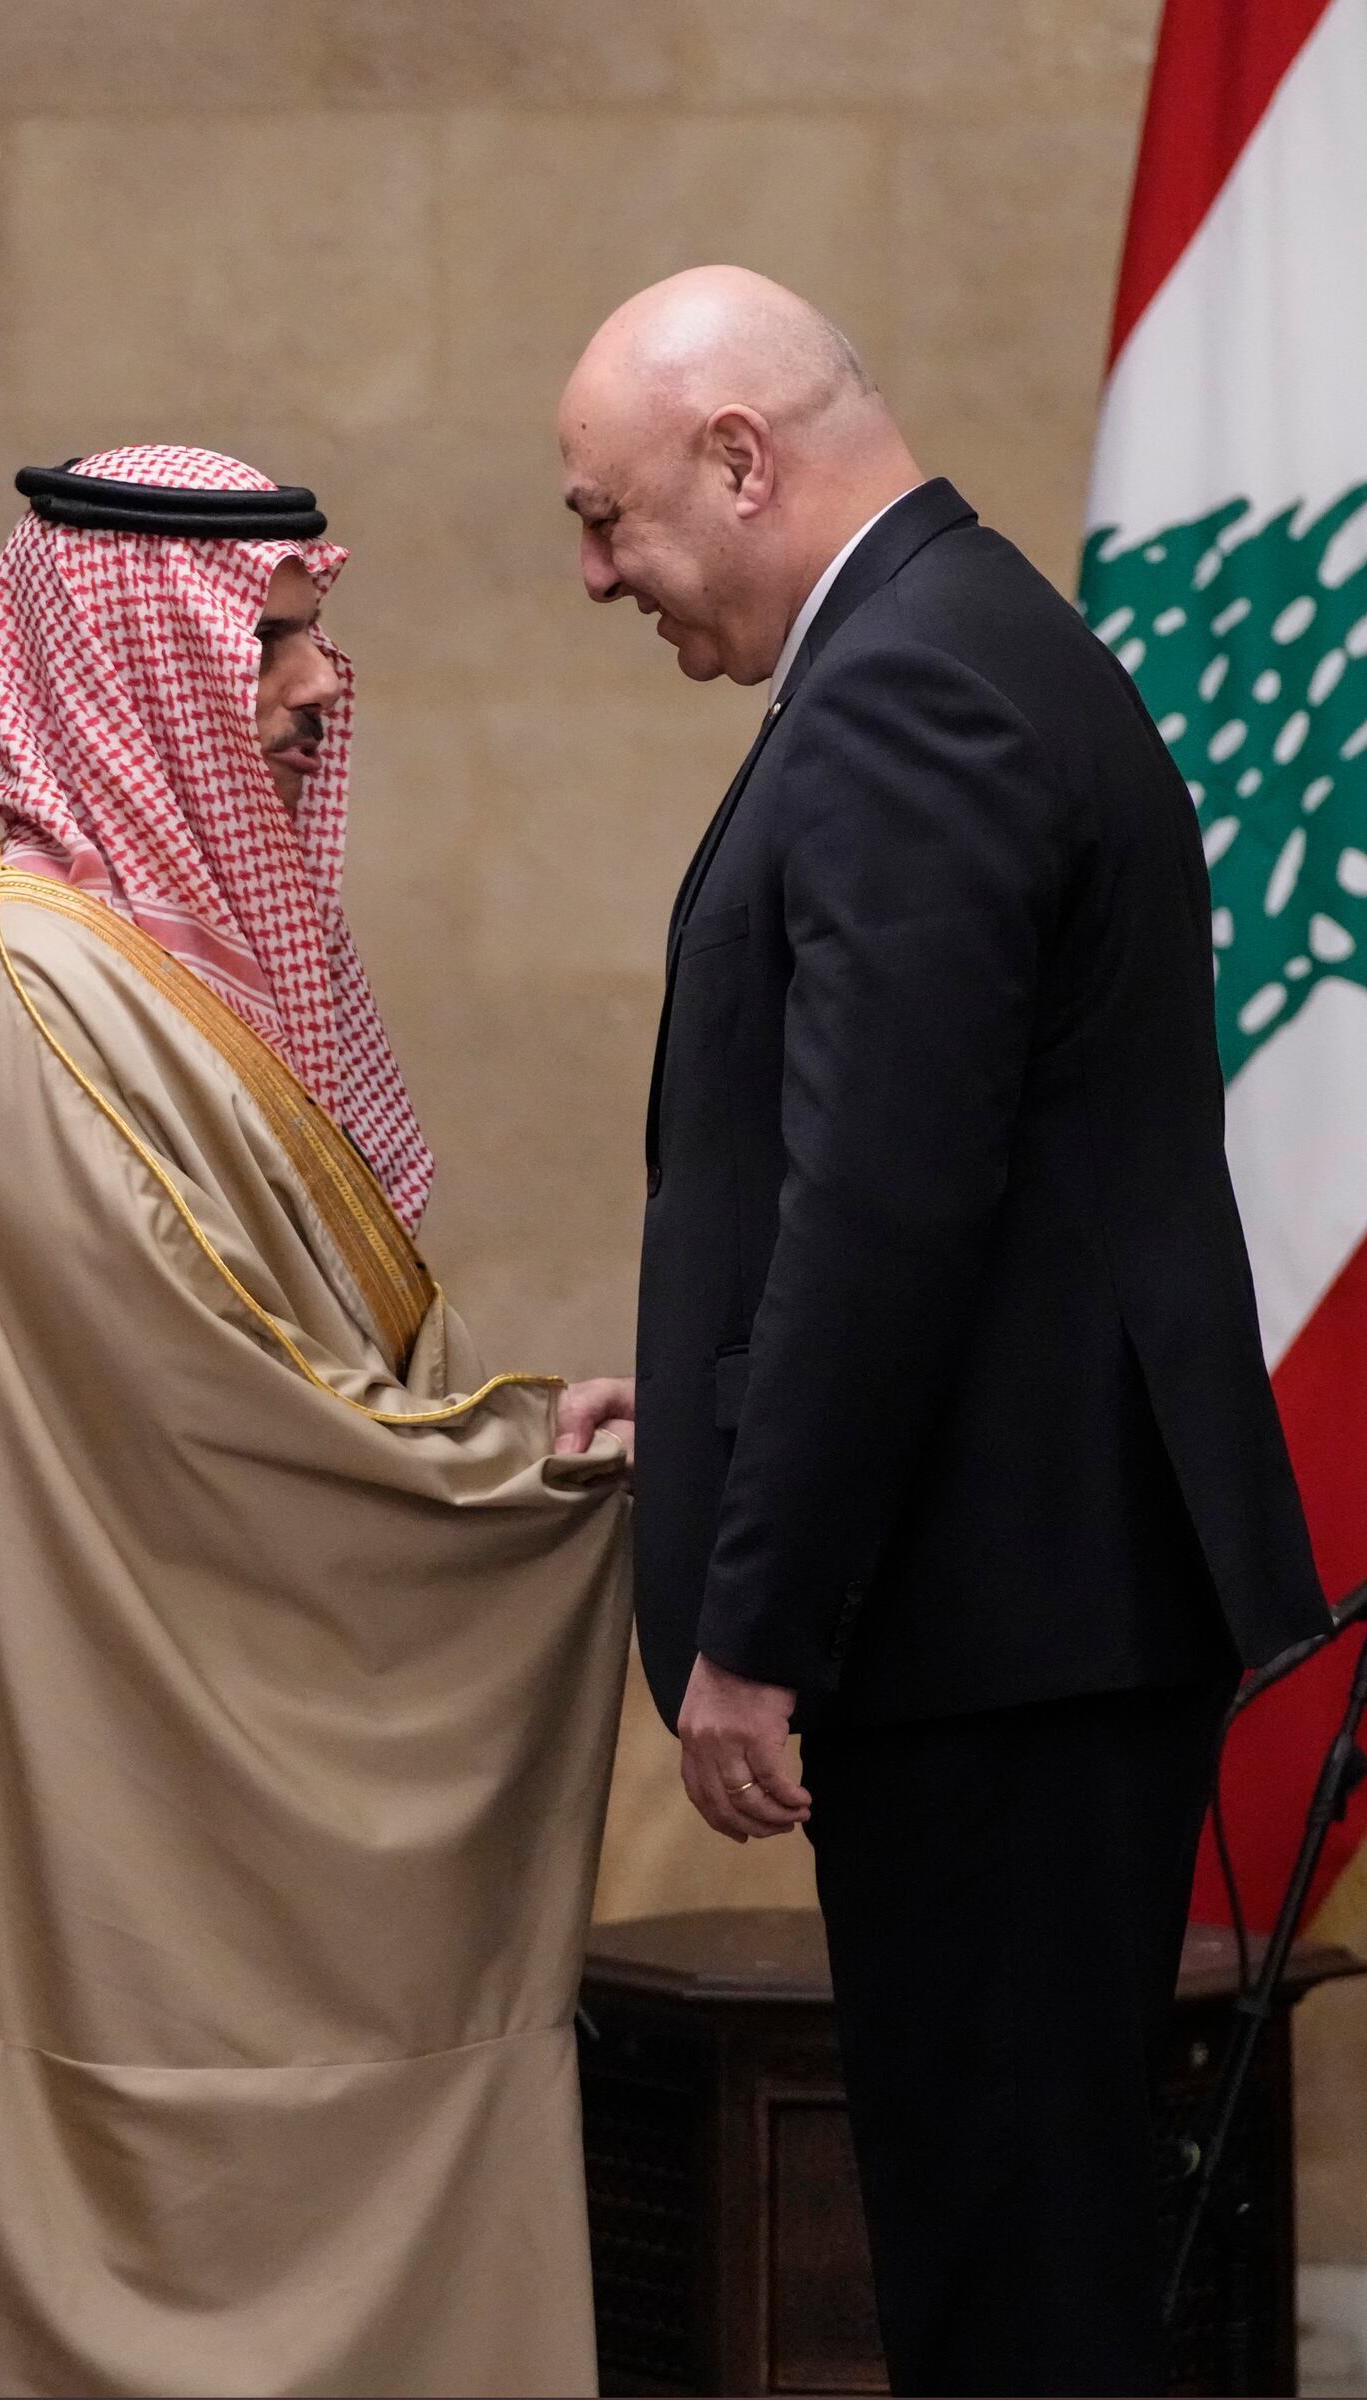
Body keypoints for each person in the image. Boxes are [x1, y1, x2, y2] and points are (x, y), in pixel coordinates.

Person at [554, 269, 1329, 2397]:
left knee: (1007, 2284)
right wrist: (699, 1407)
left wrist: (755, 1618)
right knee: (1014, 2248)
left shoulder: (910, 690)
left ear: (740, 455)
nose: (597, 573)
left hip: (999, 1641)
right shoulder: (952, 643)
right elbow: (940, 1193)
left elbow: (883, 1207)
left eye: (610, 517)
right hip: (1027, 1622)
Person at [0, 445, 631, 2400]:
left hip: (153, 1804)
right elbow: (221, 1433)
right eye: (272, 637)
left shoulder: (131, 973)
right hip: (124, 1847)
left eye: (314, 631)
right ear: (130, 666)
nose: (320, 682)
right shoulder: (27, 990)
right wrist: (532, 1475)